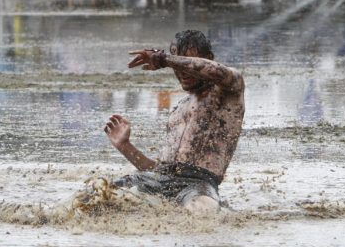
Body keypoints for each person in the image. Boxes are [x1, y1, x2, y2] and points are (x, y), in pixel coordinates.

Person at [104, 30, 244, 214]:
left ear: (208, 58)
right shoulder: (178, 111)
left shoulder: (229, 88)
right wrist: (125, 146)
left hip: (198, 185)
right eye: (178, 63)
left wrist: (164, 59)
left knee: (202, 212)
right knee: (96, 196)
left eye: (187, 62)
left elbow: (213, 70)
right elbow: (158, 170)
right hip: (157, 181)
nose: (183, 71)